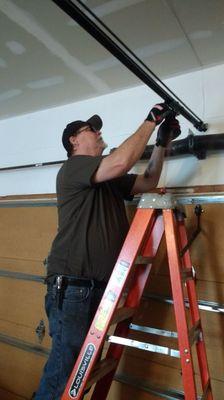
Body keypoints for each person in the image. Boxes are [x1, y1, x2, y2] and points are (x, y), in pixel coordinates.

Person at [35, 103, 181, 400]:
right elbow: (120, 162)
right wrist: (150, 121)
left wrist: (162, 144)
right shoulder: (74, 167)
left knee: (78, 372)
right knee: (65, 372)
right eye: (91, 129)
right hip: (74, 286)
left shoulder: (108, 177)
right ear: (74, 141)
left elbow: (148, 181)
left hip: (96, 289)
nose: (99, 132)